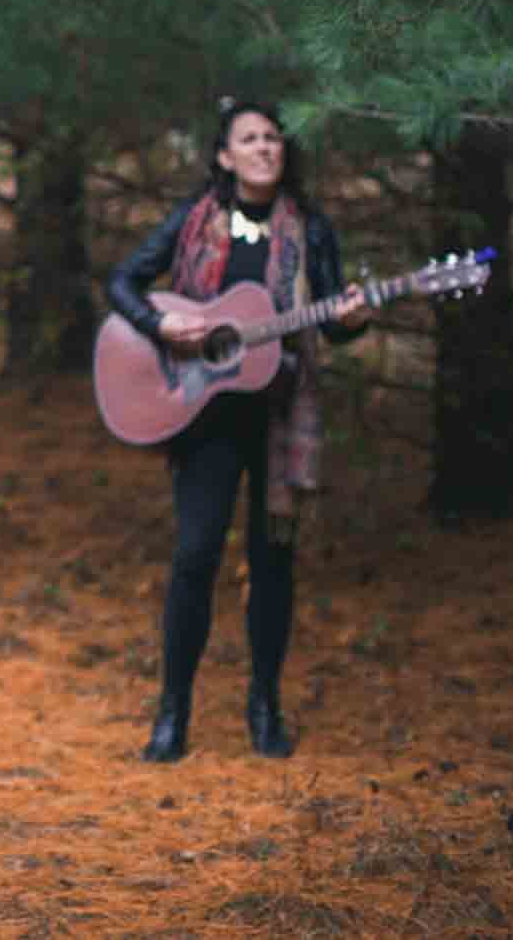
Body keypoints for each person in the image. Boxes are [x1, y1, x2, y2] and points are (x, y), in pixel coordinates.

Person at [106, 98, 371, 763]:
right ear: (224, 156)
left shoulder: (311, 229)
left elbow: (334, 321)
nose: (264, 148)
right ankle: (174, 710)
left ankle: (265, 704)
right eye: (249, 139)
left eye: (273, 138)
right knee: (196, 557)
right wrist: (160, 325)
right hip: (204, 415)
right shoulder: (194, 221)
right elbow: (123, 283)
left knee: (275, 562)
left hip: (281, 418)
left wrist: (353, 317)